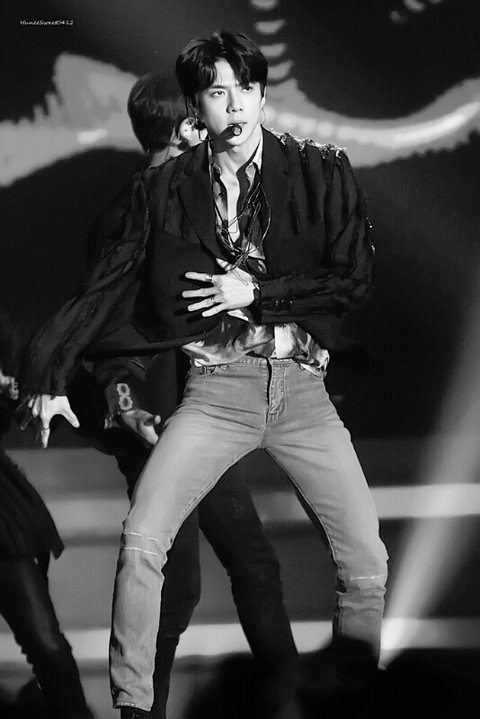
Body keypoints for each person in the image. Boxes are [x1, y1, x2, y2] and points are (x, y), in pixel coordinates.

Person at [19, 30, 388, 718]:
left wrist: (261, 295)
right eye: (218, 93)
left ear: (261, 95)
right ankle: (137, 707)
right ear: (196, 110)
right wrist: (54, 372)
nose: (235, 105)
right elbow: (106, 294)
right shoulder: (159, 193)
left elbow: (350, 279)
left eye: (246, 89)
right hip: (209, 397)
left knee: (356, 562)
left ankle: (342, 701)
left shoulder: (316, 172)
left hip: (298, 391)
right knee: (150, 545)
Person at [73, 72, 297, 719]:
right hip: (161, 418)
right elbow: (106, 326)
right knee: (208, 579)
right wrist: (128, 404)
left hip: (192, 412)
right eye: (208, 116)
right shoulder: (132, 214)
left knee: (228, 574)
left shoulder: (182, 204)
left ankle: (289, 700)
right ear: (184, 129)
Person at [0, 313, 94, 719]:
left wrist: (19, 390)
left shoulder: (7, 334)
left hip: (4, 524)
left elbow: (32, 385)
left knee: (47, 645)